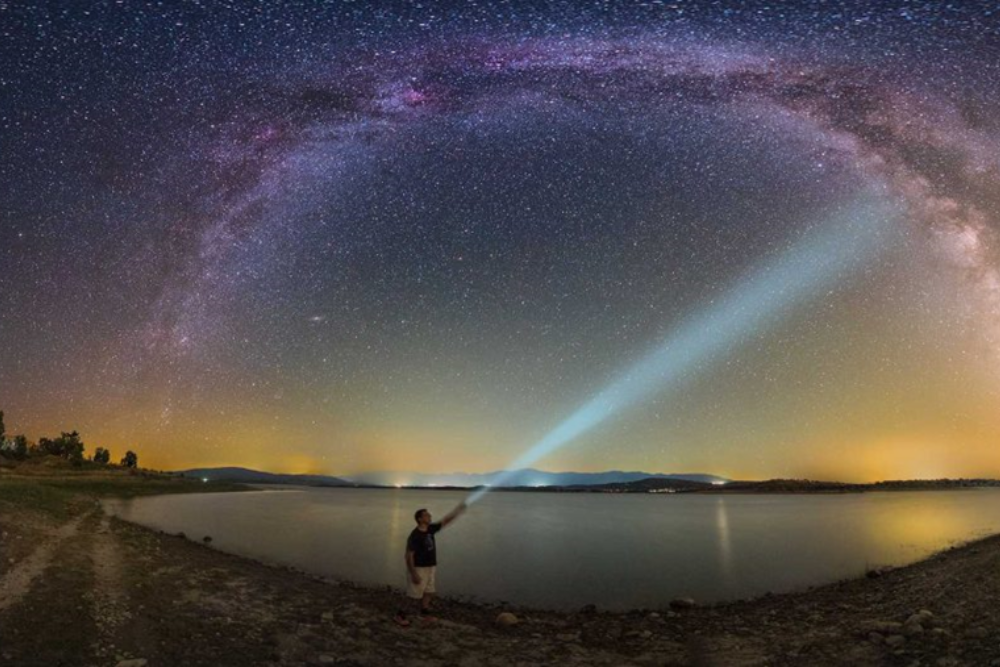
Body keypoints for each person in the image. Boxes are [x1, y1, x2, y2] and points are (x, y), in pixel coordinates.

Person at [394, 502, 467, 626]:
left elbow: (445, 521)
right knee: (414, 595)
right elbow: (408, 556)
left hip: (431, 566)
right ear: (420, 519)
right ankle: (399, 615)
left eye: (429, 515)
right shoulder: (415, 535)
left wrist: (457, 511)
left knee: (429, 592)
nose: (430, 516)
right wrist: (414, 574)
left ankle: (424, 613)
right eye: (427, 515)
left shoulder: (430, 529)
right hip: (419, 568)